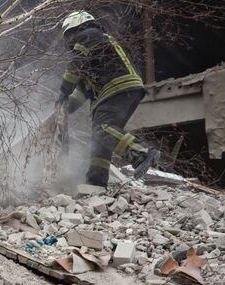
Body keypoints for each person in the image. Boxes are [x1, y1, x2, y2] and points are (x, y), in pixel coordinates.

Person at [57, 10, 160, 187]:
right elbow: (82, 91)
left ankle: (142, 153)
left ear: (78, 26)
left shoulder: (88, 35)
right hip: (120, 90)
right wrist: (66, 107)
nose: (69, 42)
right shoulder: (94, 51)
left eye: (69, 35)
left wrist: (63, 92)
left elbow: (74, 66)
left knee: (103, 130)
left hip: (116, 87)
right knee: (100, 137)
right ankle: (96, 181)